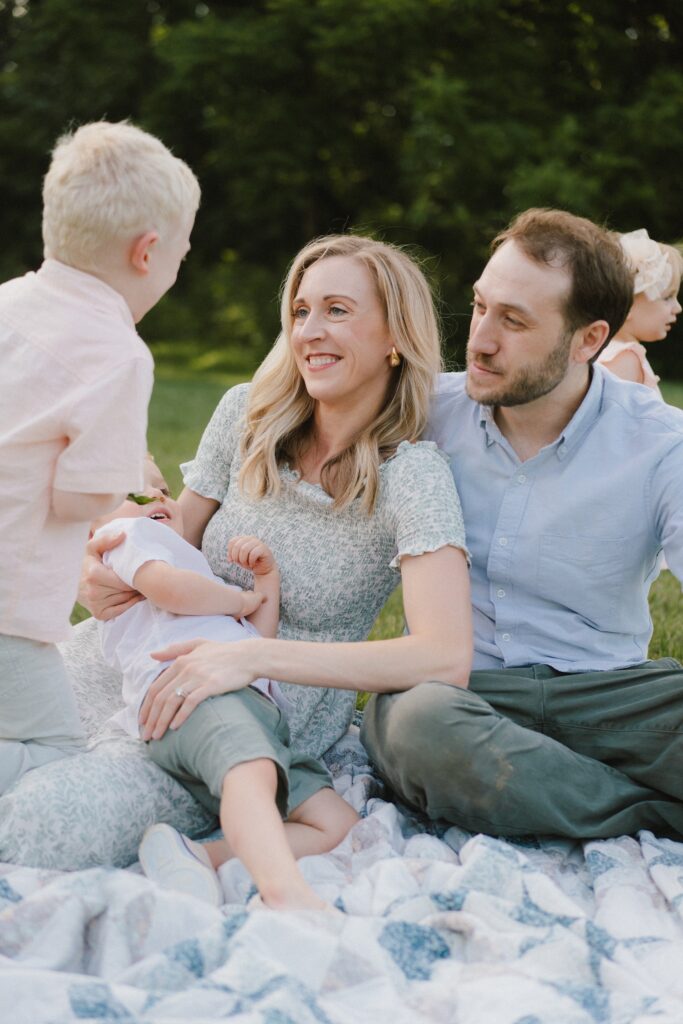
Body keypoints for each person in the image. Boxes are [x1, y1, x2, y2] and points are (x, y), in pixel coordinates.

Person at [82, 234, 473, 901]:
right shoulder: (245, 414)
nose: (309, 332)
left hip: (259, 721)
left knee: (53, 825)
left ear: (394, 337)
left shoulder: (412, 476)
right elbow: (170, 541)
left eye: (337, 311)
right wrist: (102, 580)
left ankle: (212, 863)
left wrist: (253, 659)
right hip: (147, 666)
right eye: (300, 312)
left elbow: (443, 657)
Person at [361, 207, 683, 840]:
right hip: (461, 694)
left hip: (609, 696)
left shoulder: (661, 443)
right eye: (481, 307)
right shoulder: (424, 412)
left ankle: (548, 790)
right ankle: (648, 813)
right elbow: (290, 461)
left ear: (589, 340)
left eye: (514, 321)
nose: (480, 338)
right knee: (413, 724)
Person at [0, 120, 200, 794]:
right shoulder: (115, 353)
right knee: (52, 753)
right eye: (182, 255)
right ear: (147, 254)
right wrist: (134, 482)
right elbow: (80, 501)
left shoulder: (8, 304)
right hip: (9, 610)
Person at [91, 458, 359, 911]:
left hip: (252, 708)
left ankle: (197, 855)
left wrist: (264, 580)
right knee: (250, 771)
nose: (155, 497)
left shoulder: (190, 566)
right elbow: (168, 590)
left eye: (161, 489)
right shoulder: (123, 542)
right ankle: (284, 890)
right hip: (190, 694)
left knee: (337, 822)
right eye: (133, 494)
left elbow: (256, 643)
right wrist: (237, 598)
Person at [597, 228, 683, 395]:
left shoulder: (608, 353)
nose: (678, 308)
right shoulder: (625, 359)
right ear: (626, 305)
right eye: (667, 298)